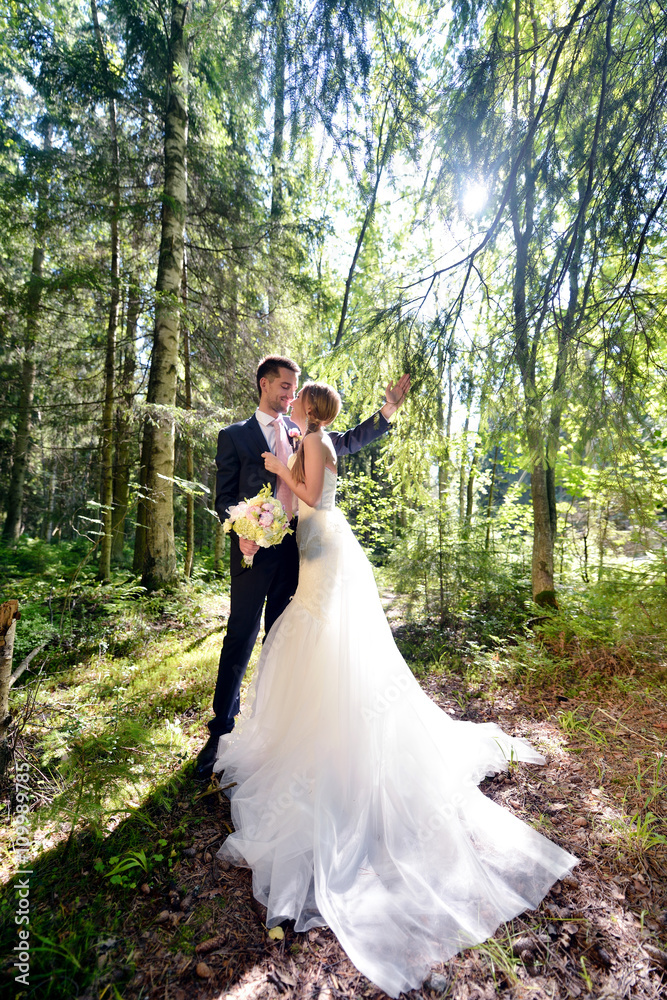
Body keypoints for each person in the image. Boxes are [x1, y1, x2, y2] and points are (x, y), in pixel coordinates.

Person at [213, 381, 577, 998]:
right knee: (306, 632)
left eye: (298, 398)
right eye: (288, 394)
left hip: (323, 546)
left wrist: (279, 468)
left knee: (319, 633)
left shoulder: (316, 442)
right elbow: (296, 495)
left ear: (309, 409)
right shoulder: (304, 438)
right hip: (310, 542)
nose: (292, 402)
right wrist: (261, 517)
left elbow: (312, 493)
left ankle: (335, 733)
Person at [194, 356, 410, 781]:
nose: (290, 395)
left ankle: (275, 730)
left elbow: (347, 440)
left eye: (295, 389)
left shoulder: (303, 431)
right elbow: (224, 498)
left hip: (300, 551)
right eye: (284, 387)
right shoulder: (233, 436)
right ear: (264, 384)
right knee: (241, 634)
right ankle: (220, 731)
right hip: (253, 548)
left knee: (283, 639)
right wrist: (240, 531)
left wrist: (387, 411)